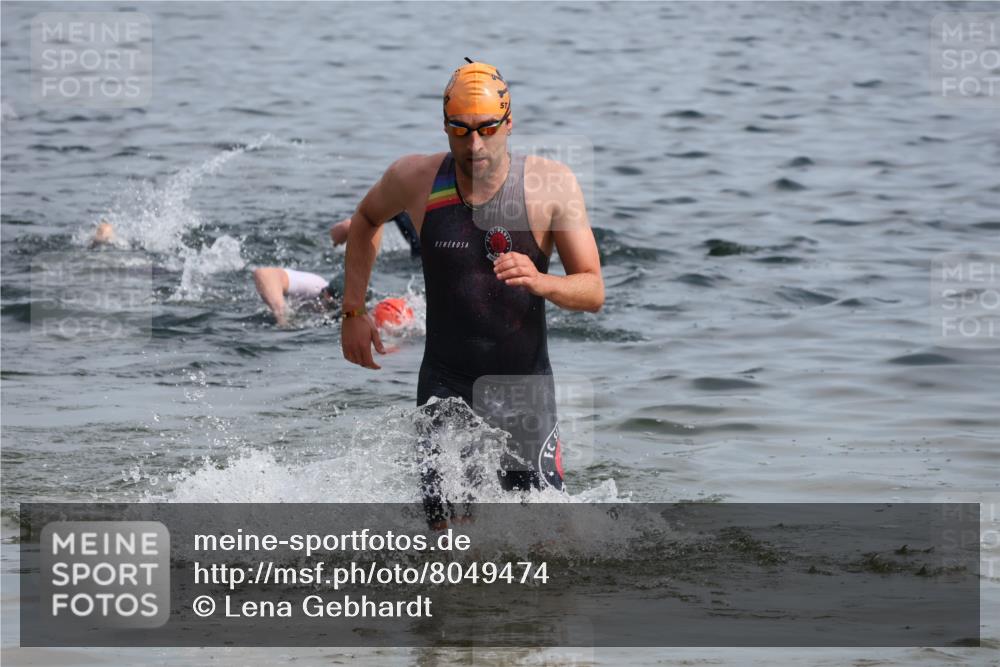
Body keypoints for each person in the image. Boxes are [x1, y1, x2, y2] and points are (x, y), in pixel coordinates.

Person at [340, 59, 604, 528]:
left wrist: (542, 281)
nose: (475, 144)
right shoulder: (415, 179)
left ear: (509, 122)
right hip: (445, 387)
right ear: (445, 126)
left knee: (549, 544)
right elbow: (364, 221)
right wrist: (353, 310)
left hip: (525, 392)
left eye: (486, 128)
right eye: (460, 130)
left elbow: (593, 289)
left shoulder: (551, 185)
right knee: (447, 548)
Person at [253, 266, 413, 329]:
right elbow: (264, 273)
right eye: (328, 304)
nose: (325, 308)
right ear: (326, 294)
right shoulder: (314, 286)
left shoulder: (362, 311)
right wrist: (281, 314)